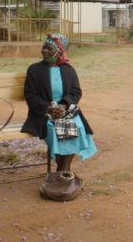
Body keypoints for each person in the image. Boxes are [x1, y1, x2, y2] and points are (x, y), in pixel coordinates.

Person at [22, 34, 97, 172]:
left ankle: (63, 169)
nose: (44, 51)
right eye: (44, 47)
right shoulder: (34, 70)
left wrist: (63, 106)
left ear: (58, 52)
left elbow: (76, 92)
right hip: (43, 113)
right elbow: (31, 96)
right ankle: (64, 171)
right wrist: (50, 108)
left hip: (65, 109)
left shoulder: (69, 70)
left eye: (49, 48)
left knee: (77, 127)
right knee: (54, 129)